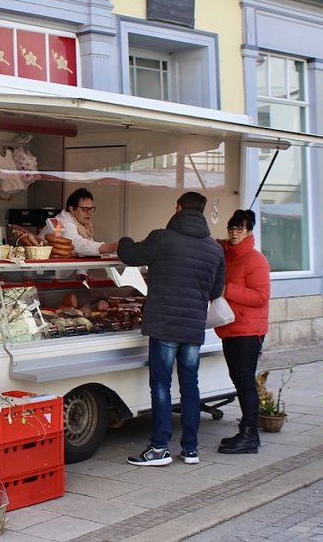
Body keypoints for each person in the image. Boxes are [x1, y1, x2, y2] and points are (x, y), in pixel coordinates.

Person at [118, 191, 225, 466]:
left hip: (164, 324)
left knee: (161, 385)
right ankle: (191, 449)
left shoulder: (162, 238)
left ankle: (159, 448)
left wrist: (123, 238)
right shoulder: (214, 249)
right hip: (193, 327)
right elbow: (216, 291)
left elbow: (129, 255)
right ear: (201, 212)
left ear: (178, 208)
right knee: (190, 385)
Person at [214, 209, 271, 455]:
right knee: (238, 379)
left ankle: (250, 435)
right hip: (230, 327)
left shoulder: (256, 260)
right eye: (232, 228)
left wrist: (228, 289)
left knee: (245, 380)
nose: (235, 233)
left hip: (248, 330)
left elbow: (261, 296)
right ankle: (246, 431)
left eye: (240, 229)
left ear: (249, 231)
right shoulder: (228, 256)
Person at [39, 188, 118, 256]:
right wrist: (108, 247)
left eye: (91, 209)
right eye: (84, 209)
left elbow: (86, 249)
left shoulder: (85, 226)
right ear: (72, 209)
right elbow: (76, 243)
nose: (89, 213)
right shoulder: (62, 222)